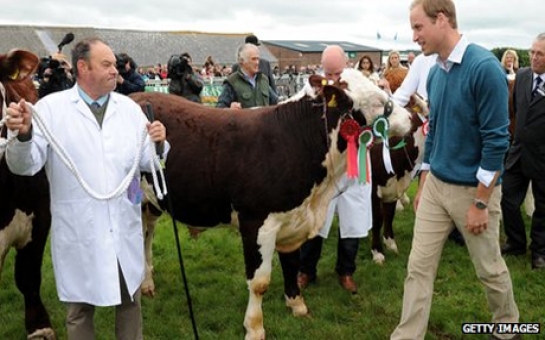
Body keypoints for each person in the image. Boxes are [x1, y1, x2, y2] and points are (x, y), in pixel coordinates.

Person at [5, 37, 169, 340]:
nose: (114, 70)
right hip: (79, 229)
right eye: (106, 64)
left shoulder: (130, 110)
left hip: (122, 225)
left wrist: (159, 142)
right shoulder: (52, 110)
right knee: (79, 311)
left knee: (130, 302)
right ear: (83, 67)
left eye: (114, 65)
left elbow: (148, 161)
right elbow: (23, 165)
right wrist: (24, 135)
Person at [391, 1, 519, 339]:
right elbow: (435, 130)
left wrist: (480, 203)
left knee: (489, 269)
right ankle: (407, 335)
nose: (414, 36)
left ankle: (508, 327)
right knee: (417, 268)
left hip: (473, 192)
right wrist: (424, 181)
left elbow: (496, 143)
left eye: (418, 27)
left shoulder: (484, 69)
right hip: (436, 188)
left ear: (442, 19)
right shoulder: (434, 72)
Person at [297, 45, 372, 294]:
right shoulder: (312, 90)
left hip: (354, 165)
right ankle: (306, 270)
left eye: (338, 73)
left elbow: (377, 117)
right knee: (317, 219)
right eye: (329, 73)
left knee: (353, 219)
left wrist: (368, 136)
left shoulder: (361, 88)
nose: (334, 79)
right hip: (325, 167)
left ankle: (346, 271)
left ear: (346, 67)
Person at [500, 33, 545, 270]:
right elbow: (515, 108)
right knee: (508, 198)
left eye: (540, 54)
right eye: (532, 52)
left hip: (542, 157)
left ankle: (539, 251)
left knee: (543, 207)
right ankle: (516, 242)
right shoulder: (524, 76)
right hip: (518, 151)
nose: (534, 57)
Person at [216, 43, 278, 109]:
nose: (257, 62)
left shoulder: (263, 79)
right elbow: (220, 109)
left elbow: (276, 103)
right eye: (253, 59)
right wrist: (229, 110)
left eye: (258, 59)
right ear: (242, 61)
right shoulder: (232, 82)